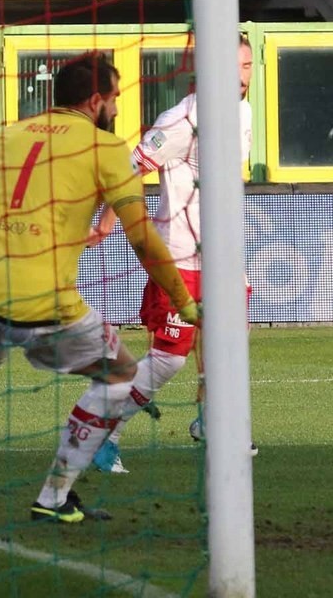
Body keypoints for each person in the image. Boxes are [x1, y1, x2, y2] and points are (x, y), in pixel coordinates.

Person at [0, 54, 198, 523]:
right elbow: (143, 237)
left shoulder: (9, 135)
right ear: (94, 100)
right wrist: (184, 301)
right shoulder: (106, 150)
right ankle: (55, 496)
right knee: (122, 373)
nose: (118, 109)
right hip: (42, 301)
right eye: (115, 99)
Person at [87, 38, 254, 474]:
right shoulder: (181, 120)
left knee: (227, 350)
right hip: (181, 255)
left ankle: (214, 424)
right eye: (234, 66)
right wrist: (106, 223)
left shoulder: (243, 111)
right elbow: (129, 170)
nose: (242, 75)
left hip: (226, 257)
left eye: (248, 65)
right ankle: (106, 433)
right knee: (170, 358)